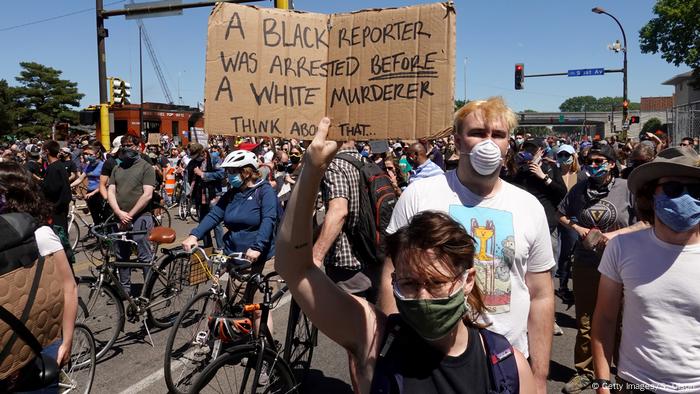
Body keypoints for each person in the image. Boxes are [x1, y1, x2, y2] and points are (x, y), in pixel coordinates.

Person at [275, 117, 536, 394]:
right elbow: (296, 268)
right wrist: (312, 170)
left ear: (468, 280)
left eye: (436, 283)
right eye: (409, 284)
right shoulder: (376, 341)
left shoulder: (506, 367)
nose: (422, 298)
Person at [379, 97, 555, 393]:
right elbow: (390, 277)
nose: (488, 143)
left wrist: (538, 375)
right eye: (477, 133)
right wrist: (386, 348)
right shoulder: (420, 195)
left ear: (508, 144)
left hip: (507, 364)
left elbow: (541, 295)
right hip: (427, 361)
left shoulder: (529, 206)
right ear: (458, 142)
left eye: (497, 135)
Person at [591, 147, 700, 393]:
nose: (685, 198)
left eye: (696, 191)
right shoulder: (622, 248)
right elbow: (605, 319)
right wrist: (602, 383)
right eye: (673, 189)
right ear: (651, 194)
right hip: (636, 384)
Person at [557, 142, 648, 393]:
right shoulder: (579, 190)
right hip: (587, 264)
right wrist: (578, 228)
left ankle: (621, 375)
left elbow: (646, 222)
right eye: (590, 162)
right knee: (585, 319)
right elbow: (561, 214)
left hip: (622, 264)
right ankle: (585, 372)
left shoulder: (627, 189)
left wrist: (617, 234)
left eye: (599, 161)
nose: (594, 166)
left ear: (611, 164)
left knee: (620, 320)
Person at [0, 162, 78, 391]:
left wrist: (67, 340)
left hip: (39, 346)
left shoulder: (40, 233)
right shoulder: (41, 232)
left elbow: (69, 288)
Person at [182, 150, 278, 329]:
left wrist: (258, 247)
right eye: (228, 171)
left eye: (233, 171)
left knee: (258, 311)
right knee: (231, 306)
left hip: (260, 259)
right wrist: (194, 235)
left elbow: (268, 220)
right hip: (235, 257)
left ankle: (265, 353)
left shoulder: (264, 191)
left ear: (247, 172)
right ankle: (229, 348)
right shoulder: (232, 194)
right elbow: (214, 215)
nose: (229, 175)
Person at [107, 134, 156, 296]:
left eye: (130, 145)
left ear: (137, 147)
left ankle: (146, 291)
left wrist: (130, 214)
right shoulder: (117, 168)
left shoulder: (145, 167)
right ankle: (125, 290)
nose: (127, 148)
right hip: (119, 218)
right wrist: (119, 212)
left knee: (144, 256)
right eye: (124, 145)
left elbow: (147, 194)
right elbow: (111, 190)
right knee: (121, 256)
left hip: (141, 217)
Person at [70, 145, 106, 225]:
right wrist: (69, 186)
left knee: (102, 217)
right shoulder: (89, 165)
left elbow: (104, 183)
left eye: (90, 154)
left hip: (99, 193)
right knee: (94, 217)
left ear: (97, 154)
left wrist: (93, 193)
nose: (87, 156)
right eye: (86, 154)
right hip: (89, 193)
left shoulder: (103, 165)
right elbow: (80, 179)